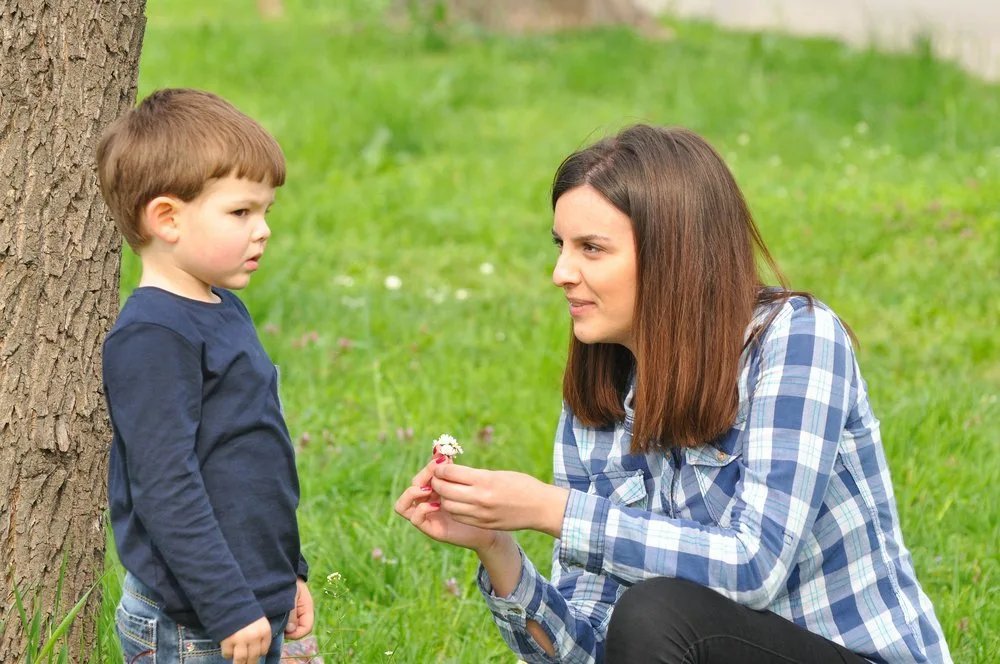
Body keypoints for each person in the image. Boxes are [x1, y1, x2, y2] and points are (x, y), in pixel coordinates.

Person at [395, 125, 951, 663]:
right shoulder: (601, 392)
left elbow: (753, 566)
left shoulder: (795, 338)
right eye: (561, 245)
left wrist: (553, 510)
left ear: (673, 253)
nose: (560, 272)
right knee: (648, 618)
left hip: (848, 652)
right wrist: (498, 548)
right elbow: (595, 652)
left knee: (656, 612)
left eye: (591, 248)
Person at [97, 88, 313, 664]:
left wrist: (287, 576)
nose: (263, 229)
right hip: (192, 624)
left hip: (244, 603)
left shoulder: (222, 309)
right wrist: (228, 605)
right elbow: (166, 488)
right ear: (167, 217)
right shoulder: (152, 338)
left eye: (266, 211)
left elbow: (251, 463)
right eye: (241, 212)